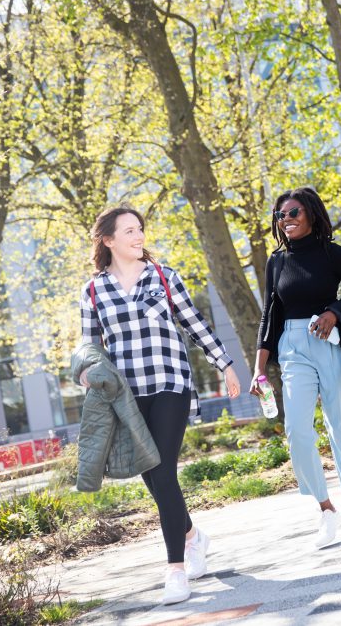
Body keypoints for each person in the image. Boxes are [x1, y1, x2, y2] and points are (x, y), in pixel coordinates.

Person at [79, 205, 242, 604]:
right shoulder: (94, 290)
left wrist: (226, 365)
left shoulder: (164, 277)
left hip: (170, 382)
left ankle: (175, 570)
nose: (138, 237)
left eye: (140, 229)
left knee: (161, 469)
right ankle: (192, 535)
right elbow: (88, 346)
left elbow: (195, 323)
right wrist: (85, 373)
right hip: (127, 397)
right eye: (129, 231)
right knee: (152, 477)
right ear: (108, 240)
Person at [251, 187, 341, 548]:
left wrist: (334, 313)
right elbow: (270, 314)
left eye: (293, 213)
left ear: (312, 214)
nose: (285, 220)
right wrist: (259, 368)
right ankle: (326, 509)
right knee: (297, 431)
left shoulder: (333, 254)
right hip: (292, 347)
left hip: (330, 342)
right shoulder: (276, 261)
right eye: (280, 215)